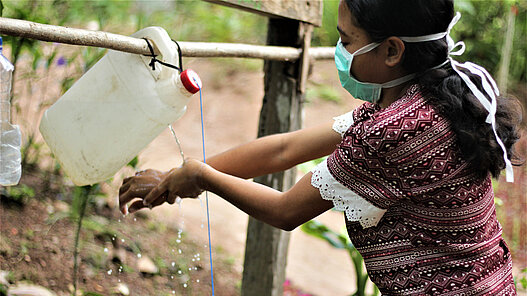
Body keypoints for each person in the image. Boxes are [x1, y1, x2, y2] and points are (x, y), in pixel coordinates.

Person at [119, 0, 523, 294]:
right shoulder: (430, 96)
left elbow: (286, 209)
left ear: (392, 50)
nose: (339, 51)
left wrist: (200, 176)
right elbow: (284, 149)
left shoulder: (392, 132)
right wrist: (179, 175)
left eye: (347, 40)